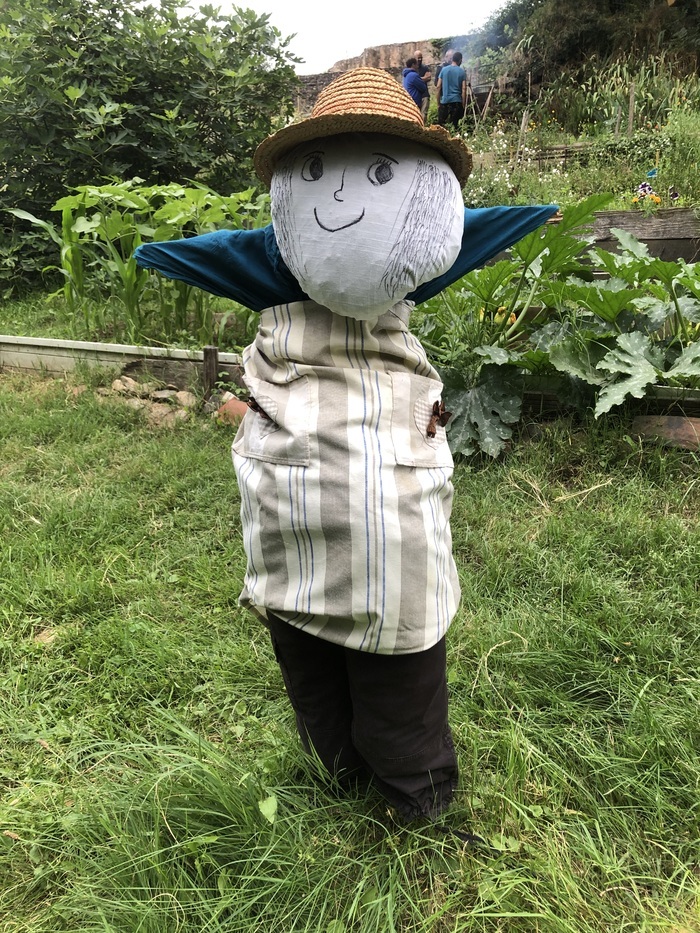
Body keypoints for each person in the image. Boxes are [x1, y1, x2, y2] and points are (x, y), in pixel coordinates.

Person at [133, 68, 557, 824]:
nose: (339, 198)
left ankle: (387, 786)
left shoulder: (263, 264)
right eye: (321, 172)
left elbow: (197, 253)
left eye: (381, 173)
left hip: (298, 500)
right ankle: (400, 790)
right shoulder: (267, 261)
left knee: (338, 647)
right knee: (375, 652)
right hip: (370, 506)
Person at [436, 51, 466, 130]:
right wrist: (463, 103)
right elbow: (464, 89)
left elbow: (438, 87)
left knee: (441, 128)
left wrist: (438, 103)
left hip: (444, 102)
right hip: (456, 102)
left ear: (452, 59)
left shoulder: (443, 70)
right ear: (460, 60)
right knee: (455, 127)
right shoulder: (462, 72)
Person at [413, 49, 431, 118]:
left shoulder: (425, 67)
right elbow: (412, 80)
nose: (420, 59)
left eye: (421, 58)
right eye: (418, 58)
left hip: (425, 95)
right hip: (415, 96)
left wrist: (417, 79)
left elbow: (429, 78)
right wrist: (423, 78)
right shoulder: (413, 69)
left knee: (424, 115)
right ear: (414, 58)